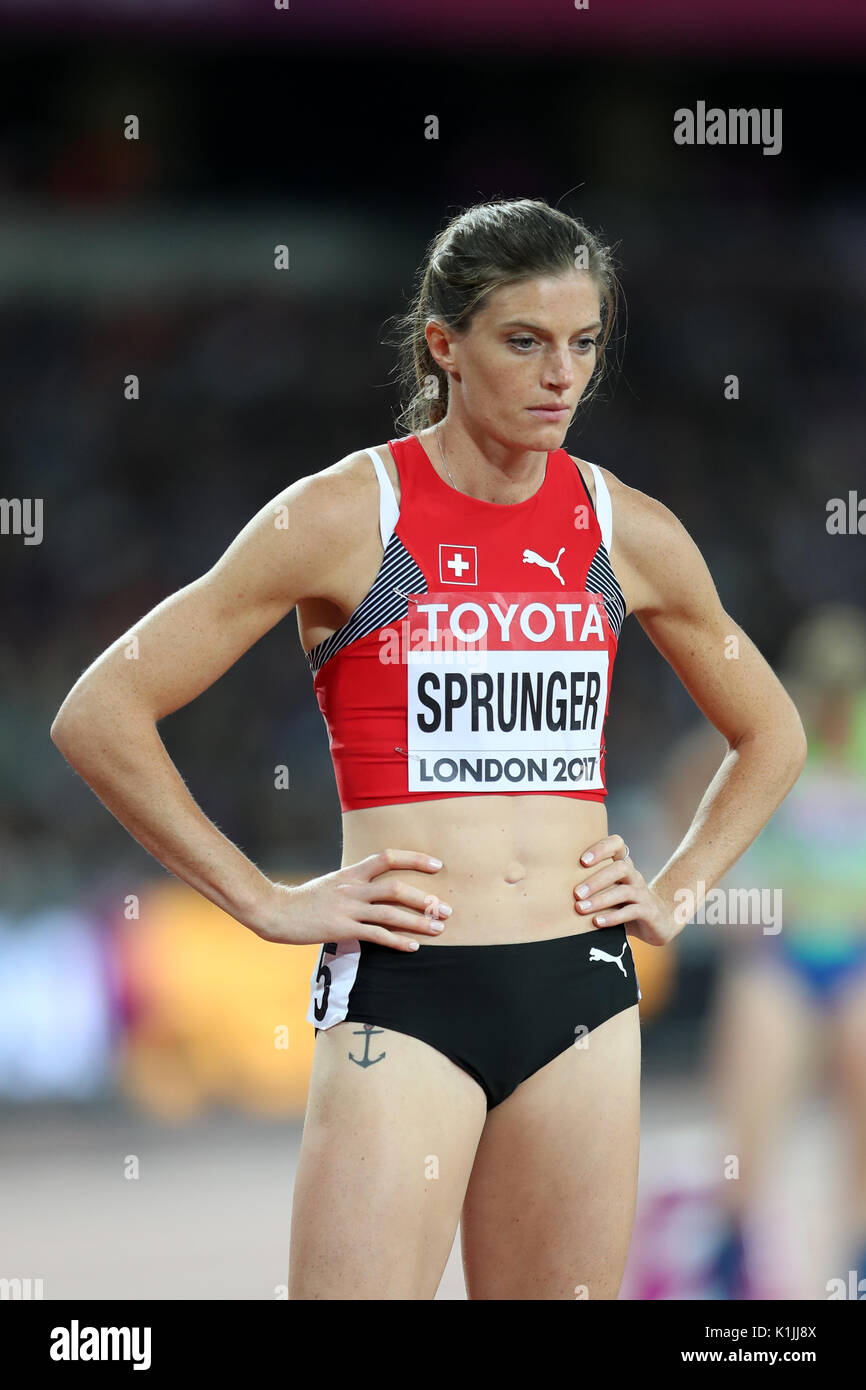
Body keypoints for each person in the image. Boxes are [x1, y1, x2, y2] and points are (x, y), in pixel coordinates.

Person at [49, 196, 807, 1300]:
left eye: (583, 343)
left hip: (582, 992)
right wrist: (260, 898)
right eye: (524, 341)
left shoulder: (621, 529)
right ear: (441, 345)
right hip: (406, 996)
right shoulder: (347, 516)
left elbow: (771, 730)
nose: (562, 376)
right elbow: (99, 712)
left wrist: (679, 888)